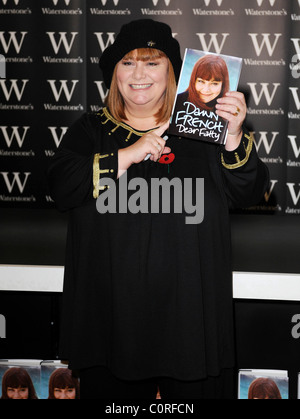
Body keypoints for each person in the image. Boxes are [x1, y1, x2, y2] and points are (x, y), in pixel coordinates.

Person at [47, 19, 269, 399]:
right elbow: (58, 185)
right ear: (113, 73)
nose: (139, 75)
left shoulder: (204, 129)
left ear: (173, 72)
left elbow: (250, 190)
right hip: (110, 331)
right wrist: (125, 156)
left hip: (191, 330)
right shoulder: (91, 130)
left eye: (152, 63)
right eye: (127, 63)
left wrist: (233, 138)